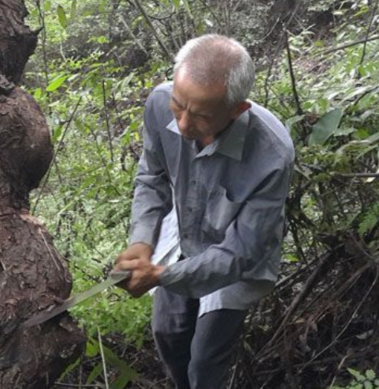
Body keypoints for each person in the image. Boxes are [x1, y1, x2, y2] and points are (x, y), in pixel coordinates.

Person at [113, 34, 294, 389]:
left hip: (237, 256)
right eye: (179, 107)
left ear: (237, 110)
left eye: (200, 116)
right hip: (184, 235)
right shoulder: (160, 102)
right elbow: (152, 177)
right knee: (169, 334)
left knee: (207, 359)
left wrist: (162, 276)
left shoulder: (271, 154)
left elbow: (240, 252)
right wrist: (141, 241)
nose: (182, 125)